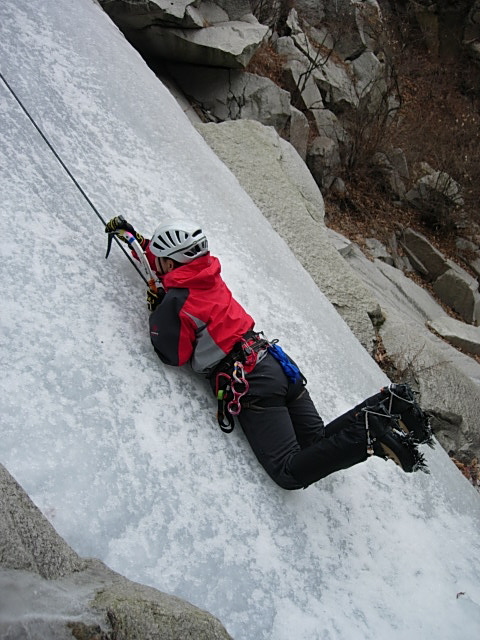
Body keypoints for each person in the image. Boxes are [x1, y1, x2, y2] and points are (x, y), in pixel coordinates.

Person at [105, 216, 433, 489]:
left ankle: (371, 434)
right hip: (276, 363)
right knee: (316, 442)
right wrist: (137, 241)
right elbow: (172, 267)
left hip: (251, 382)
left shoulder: (178, 302)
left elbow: (172, 354)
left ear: (172, 262)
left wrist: (158, 311)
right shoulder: (206, 272)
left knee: (288, 472)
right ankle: (393, 403)